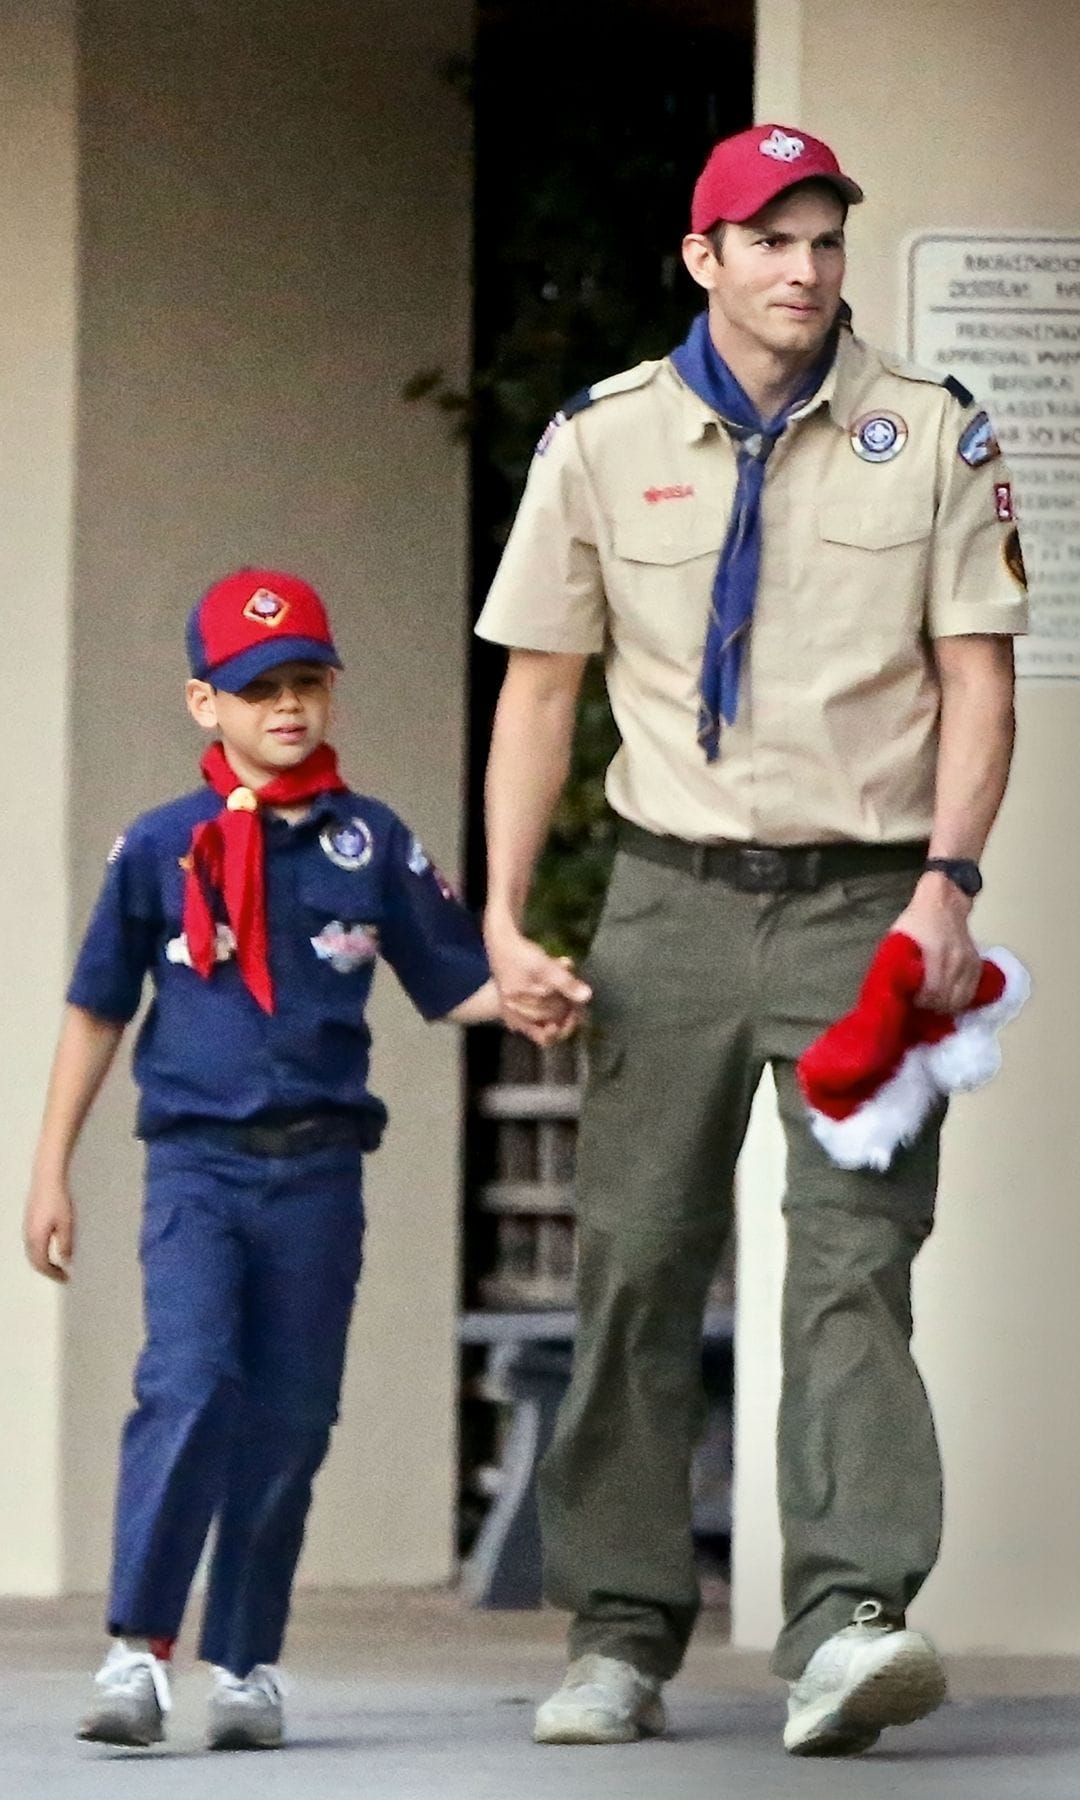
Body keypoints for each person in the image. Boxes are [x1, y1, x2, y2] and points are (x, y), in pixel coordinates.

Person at [476, 122, 1028, 1757]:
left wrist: (950, 879)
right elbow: (541, 686)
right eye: (768, 240)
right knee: (637, 1265)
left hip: (871, 902)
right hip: (667, 904)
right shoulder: (599, 442)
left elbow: (978, 681)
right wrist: (505, 917)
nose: (804, 269)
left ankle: (852, 1619)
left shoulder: (926, 433)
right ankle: (620, 1634)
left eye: (827, 240)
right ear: (703, 260)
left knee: (856, 1266)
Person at [23, 567, 497, 1751]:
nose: (286, 708)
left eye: (305, 685)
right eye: (258, 689)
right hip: (197, 1166)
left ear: (330, 692)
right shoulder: (159, 846)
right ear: (206, 704)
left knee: (291, 1417)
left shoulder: (370, 840)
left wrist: (562, 992)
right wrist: (48, 1168)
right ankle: (137, 1650)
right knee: (187, 1387)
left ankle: (246, 1661)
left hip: (320, 1171)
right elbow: (95, 1009)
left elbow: (460, 980)